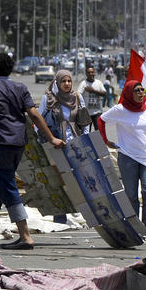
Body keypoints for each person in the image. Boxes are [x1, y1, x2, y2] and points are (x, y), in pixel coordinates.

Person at [0, 53, 65, 249]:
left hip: (1, 144)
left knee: (7, 186)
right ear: (11, 68)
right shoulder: (20, 88)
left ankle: (25, 235)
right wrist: (52, 138)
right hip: (19, 143)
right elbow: (34, 114)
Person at [98, 80, 146, 230]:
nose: (141, 93)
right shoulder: (120, 110)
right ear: (129, 93)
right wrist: (106, 141)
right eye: (137, 91)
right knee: (131, 195)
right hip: (128, 157)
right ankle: (135, 225)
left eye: (142, 90)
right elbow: (101, 120)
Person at [38, 70, 91, 225]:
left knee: (78, 180)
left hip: (74, 144)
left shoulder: (77, 97)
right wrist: (46, 141)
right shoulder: (48, 99)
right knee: (59, 182)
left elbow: (85, 121)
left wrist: (83, 140)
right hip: (55, 145)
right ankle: (60, 219)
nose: (67, 84)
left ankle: (83, 213)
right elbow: (38, 121)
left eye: (69, 81)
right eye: (63, 81)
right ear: (57, 82)